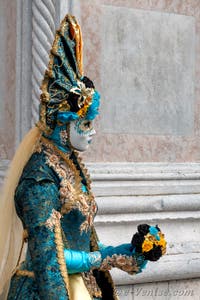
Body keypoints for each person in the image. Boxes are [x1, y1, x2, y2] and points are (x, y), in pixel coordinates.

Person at [0, 14, 166, 300]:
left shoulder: (69, 164)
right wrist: (99, 259)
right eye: (85, 124)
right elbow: (47, 259)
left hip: (82, 286)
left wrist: (129, 252)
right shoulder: (40, 176)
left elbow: (86, 243)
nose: (92, 132)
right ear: (64, 124)